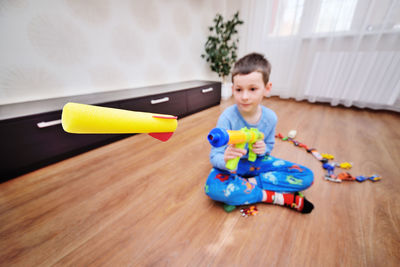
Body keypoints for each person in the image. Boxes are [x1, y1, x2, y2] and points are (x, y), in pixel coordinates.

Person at [205, 53, 314, 214]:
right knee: (212, 189)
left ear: (267, 89)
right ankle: (274, 197)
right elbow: (215, 157)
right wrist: (226, 158)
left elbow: (269, 147)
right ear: (232, 89)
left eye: (253, 89)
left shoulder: (270, 118)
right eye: (239, 90)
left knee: (306, 176)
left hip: (257, 163)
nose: (244, 96)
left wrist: (263, 150)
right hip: (233, 167)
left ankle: (245, 186)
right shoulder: (227, 117)